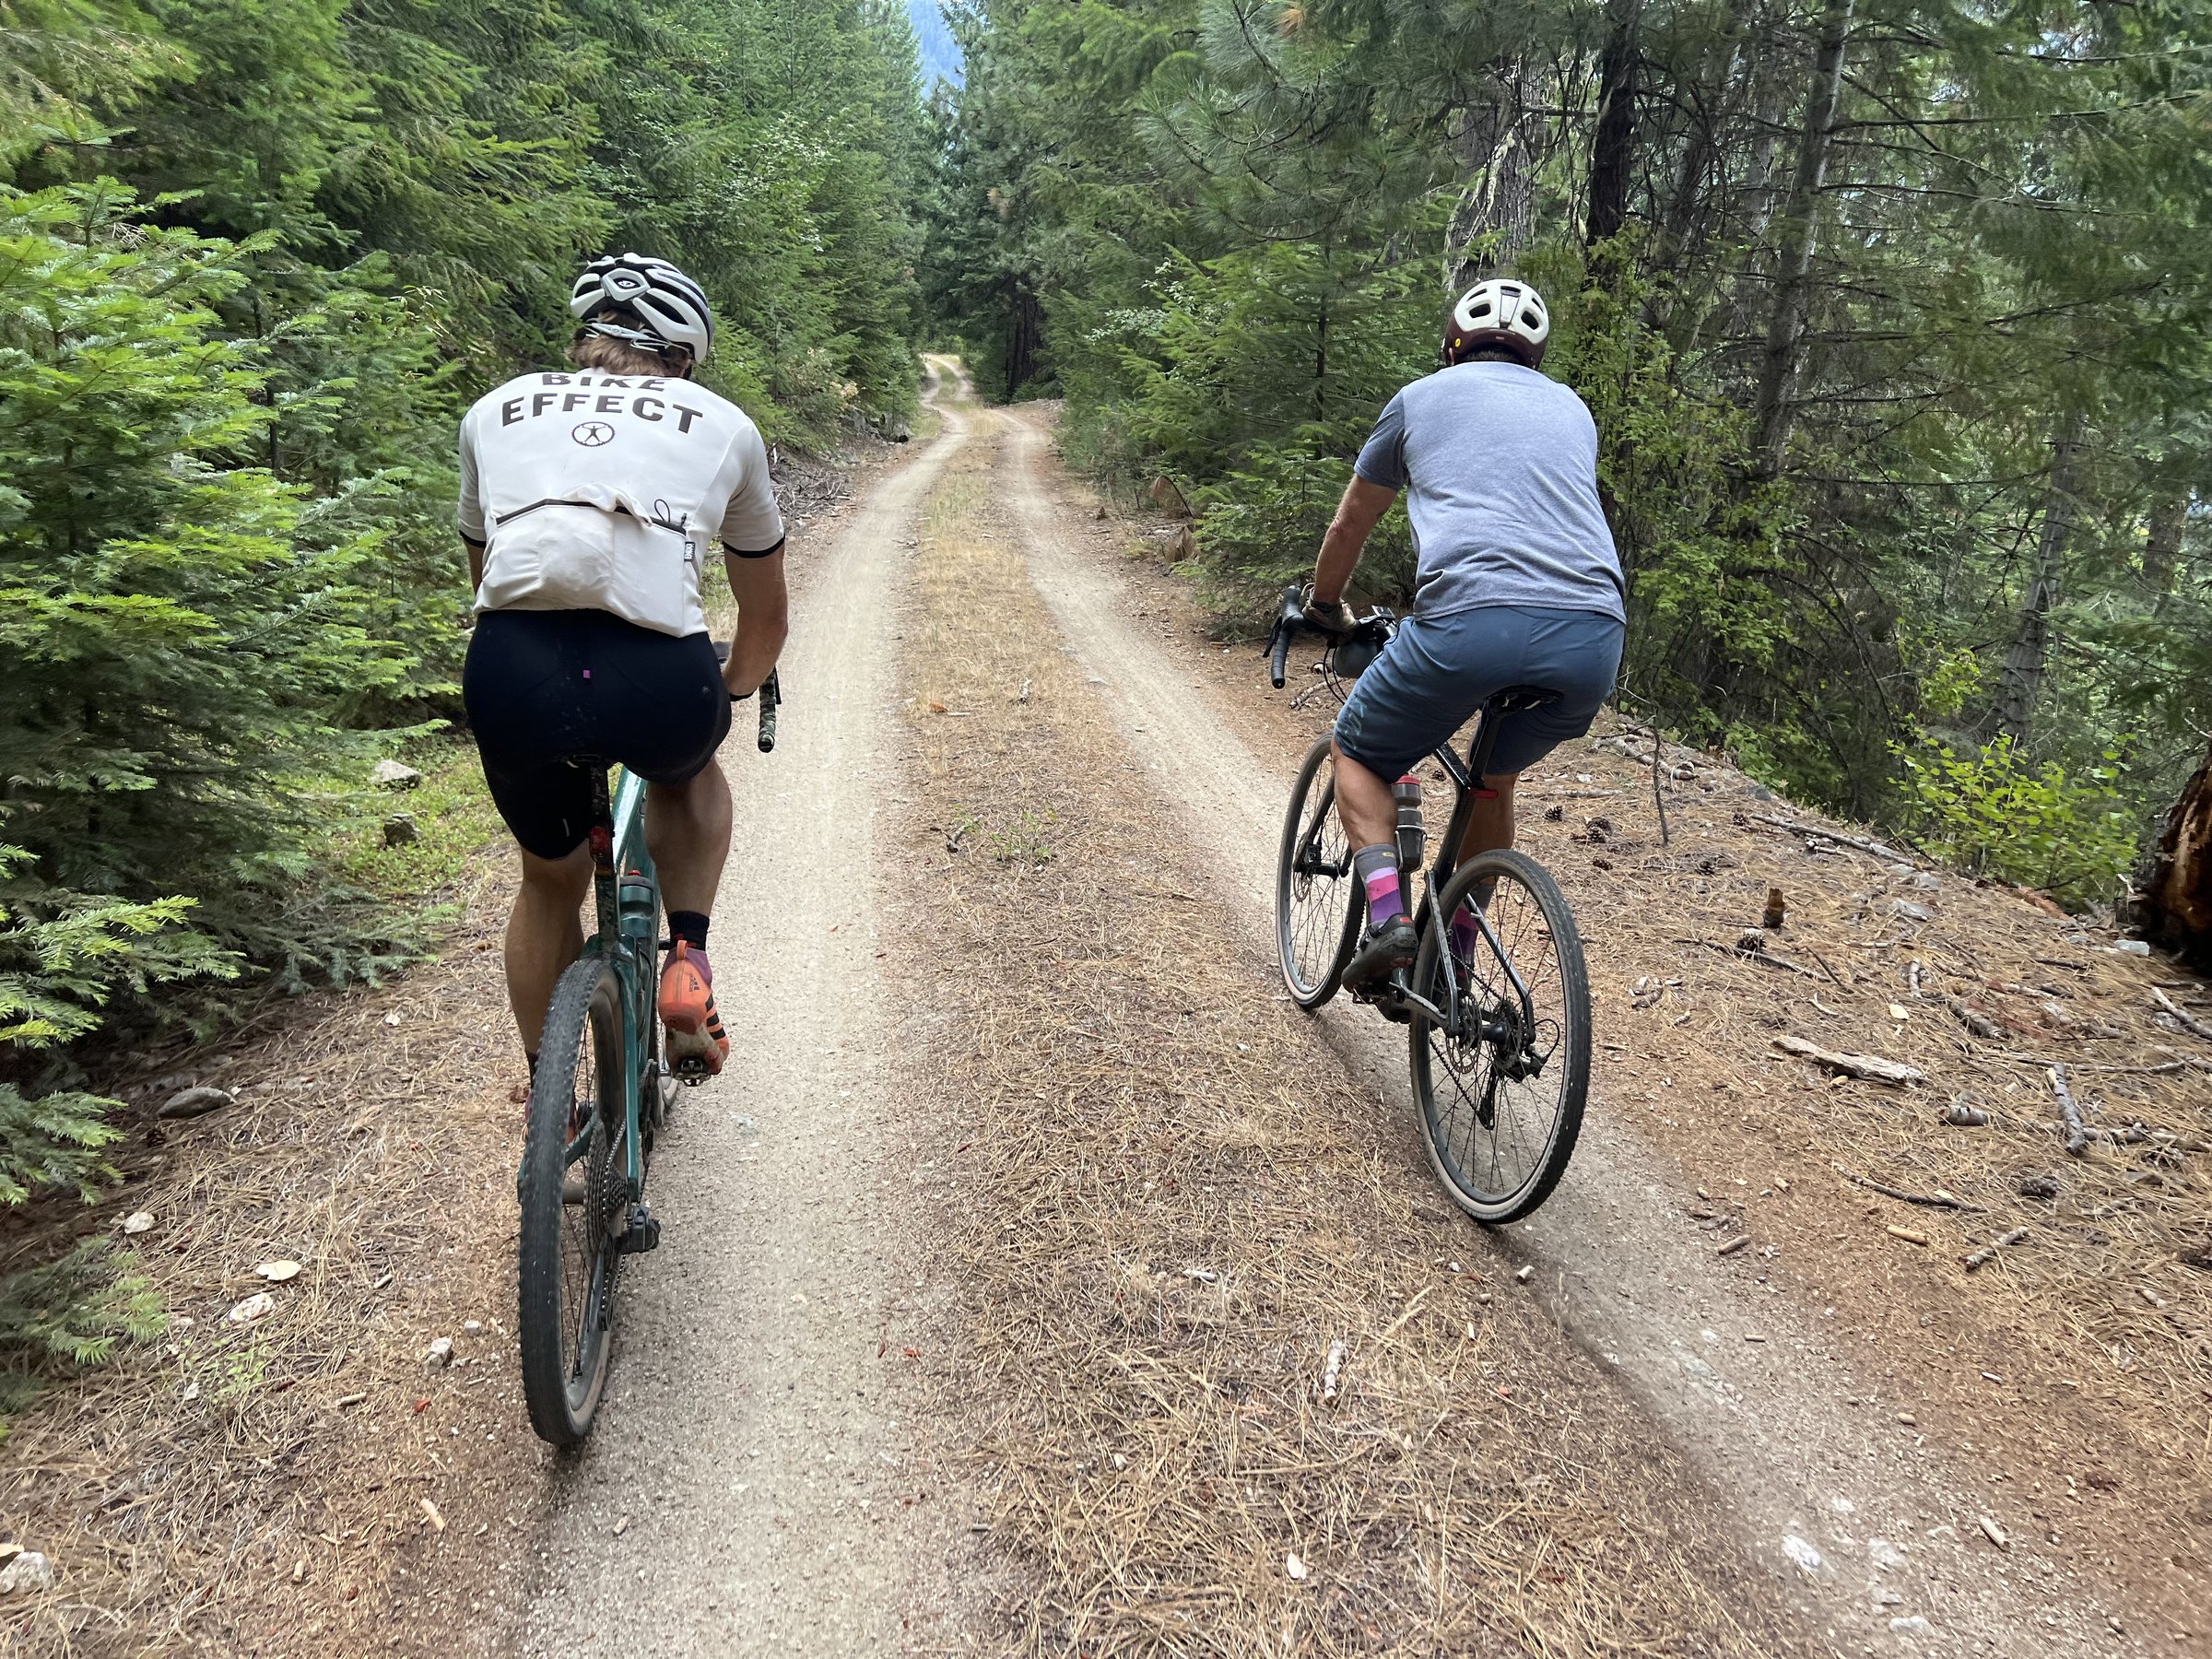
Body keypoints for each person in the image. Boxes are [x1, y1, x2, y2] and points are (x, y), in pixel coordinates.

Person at [457, 253, 789, 1088]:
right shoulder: (721, 424)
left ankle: (552, 1097)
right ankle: (689, 957)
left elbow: (484, 572)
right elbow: (766, 615)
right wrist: (735, 688)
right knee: (691, 780)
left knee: (545, 881)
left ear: (583, 343)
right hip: (655, 673)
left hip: (512, 668)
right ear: (681, 357)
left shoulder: (493, 411)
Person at [1301, 277, 1626, 989]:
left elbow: (1351, 522)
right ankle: (1457, 956)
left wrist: (1324, 604)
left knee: (1356, 751)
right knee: (1492, 783)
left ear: (1453, 344)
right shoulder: (1572, 408)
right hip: (1595, 636)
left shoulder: (1419, 399)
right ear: (1535, 355)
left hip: (1472, 618)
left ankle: (1389, 921)